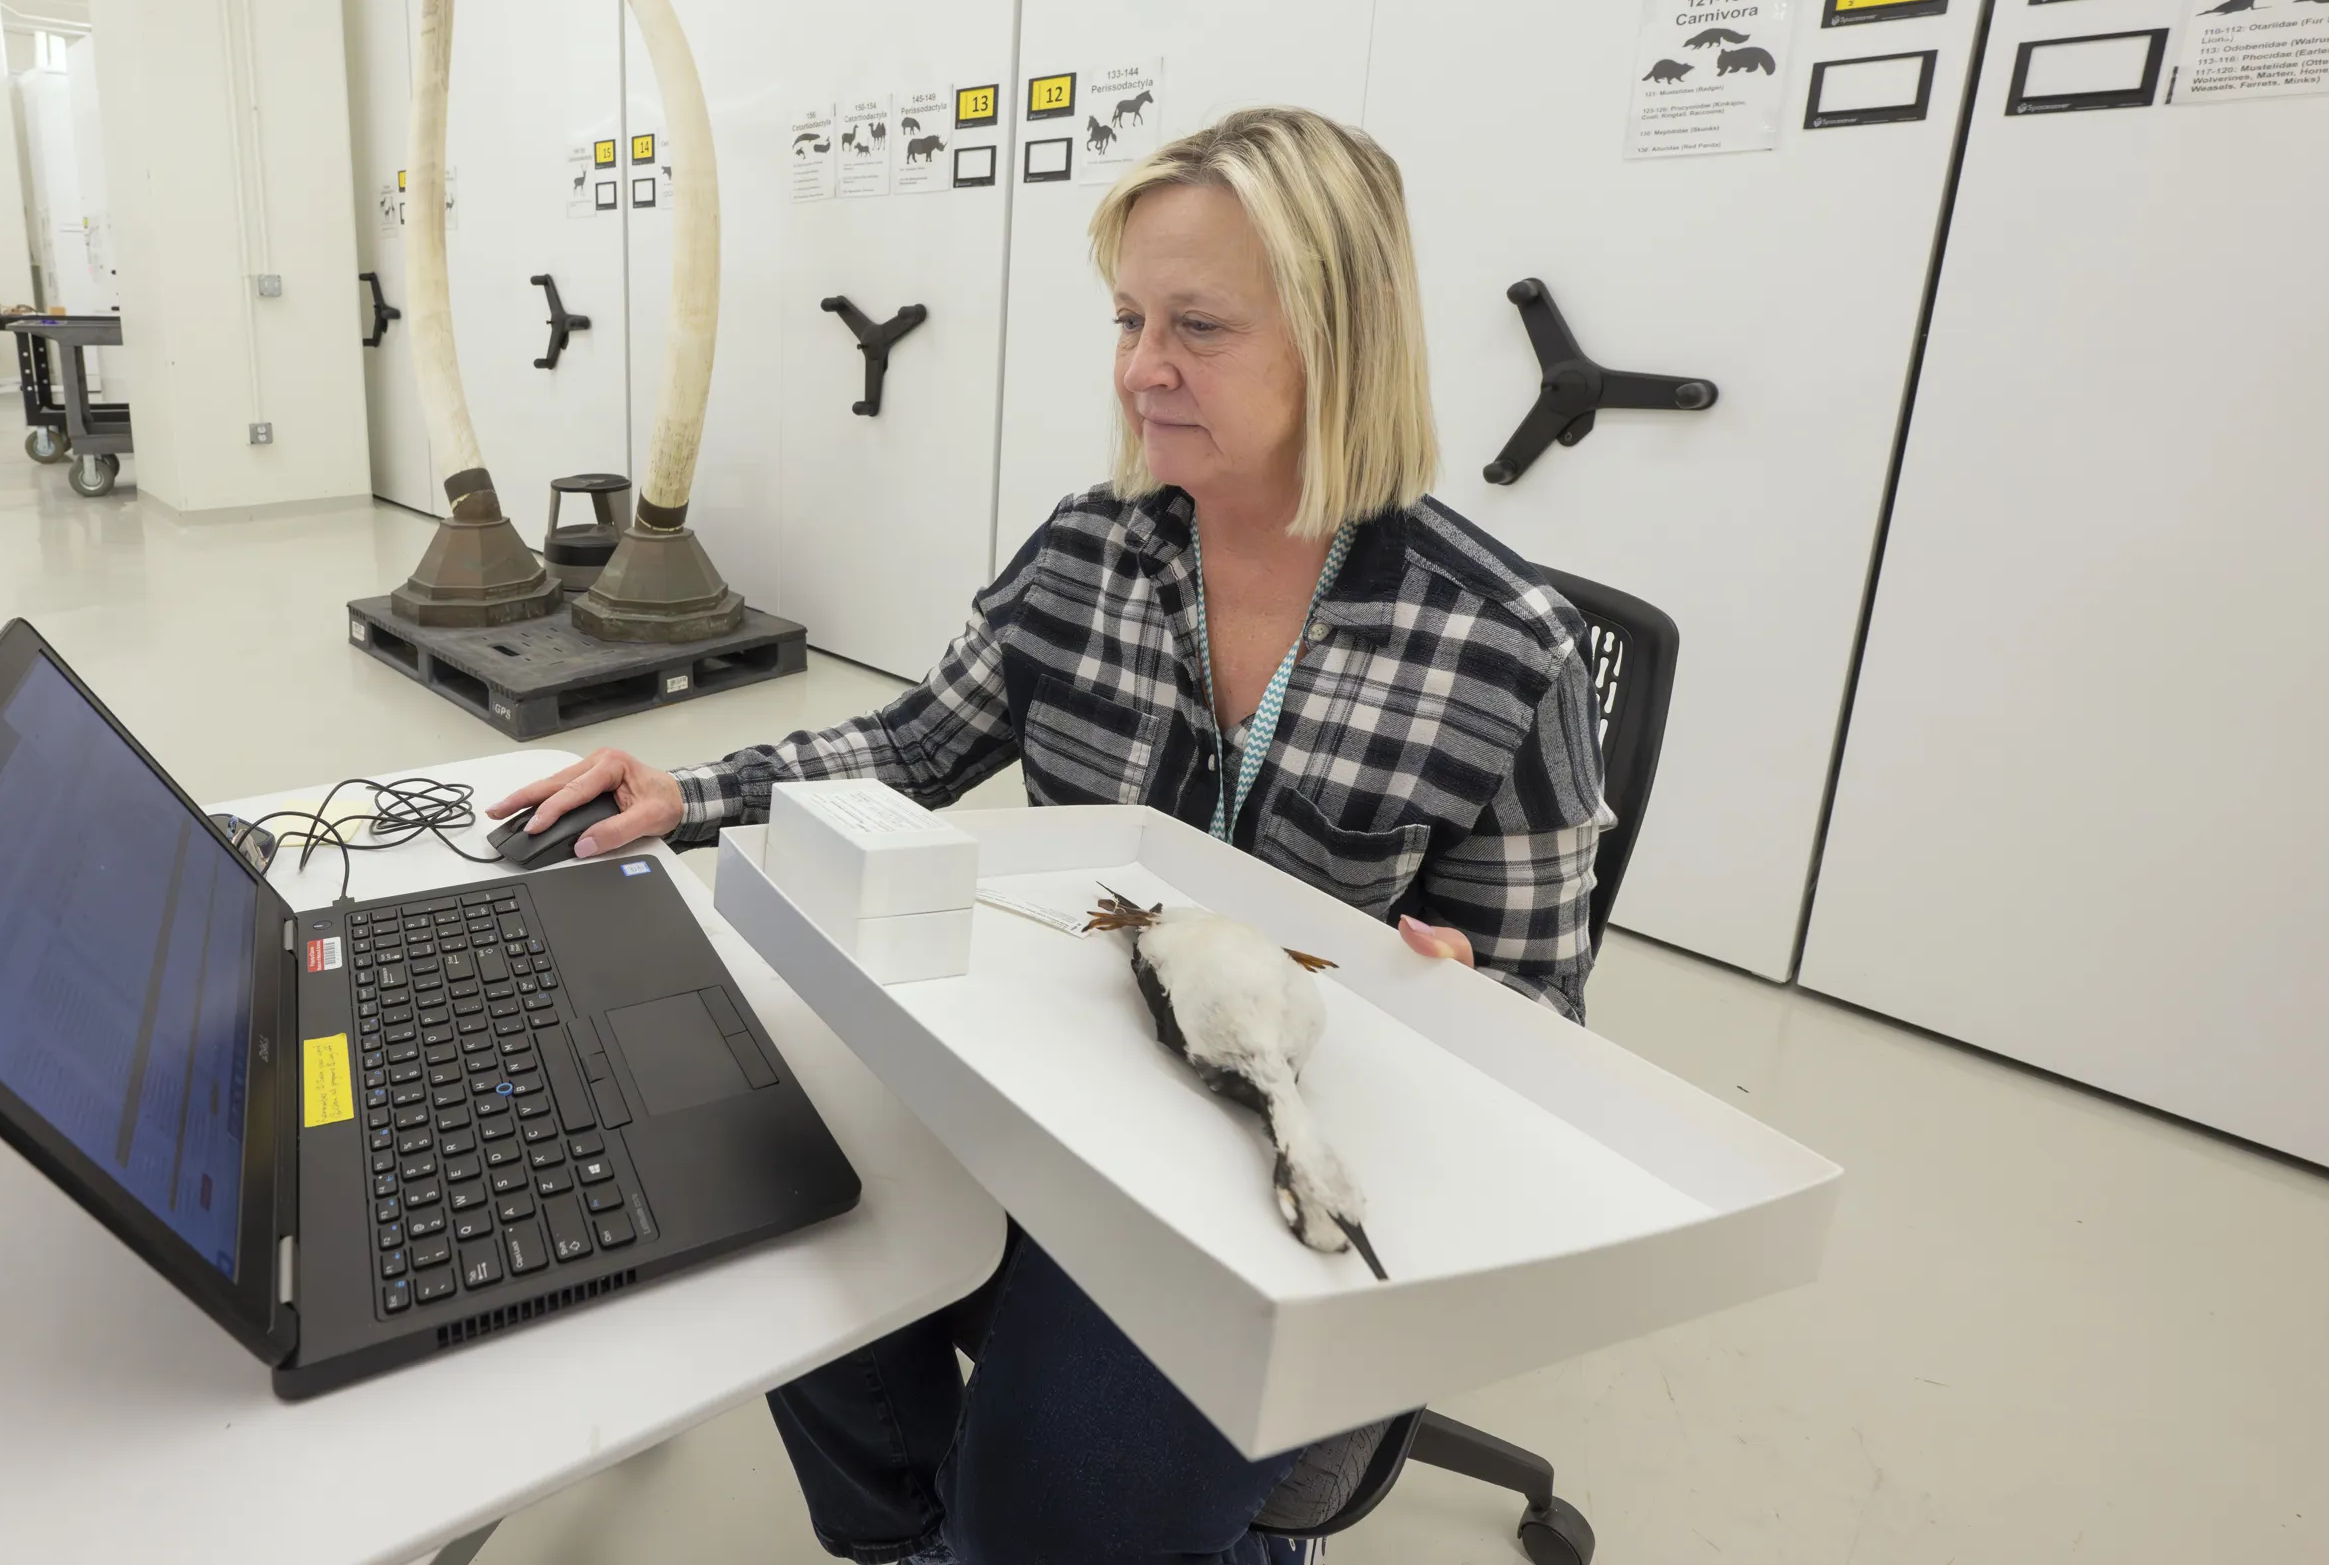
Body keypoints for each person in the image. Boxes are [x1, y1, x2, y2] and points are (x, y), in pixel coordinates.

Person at [489, 107, 1607, 1565]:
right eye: (1130, 317)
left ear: (1344, 336)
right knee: (746, 1178)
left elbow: (1551, 1019)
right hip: (1039, 1085)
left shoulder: (1500, 643)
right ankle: (905, 1533)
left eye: (1198, 325)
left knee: (1055, 1503)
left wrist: (1453, 1001)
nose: (1144, 368)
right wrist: (687, 795)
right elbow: (912, 746)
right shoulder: (1097, 549)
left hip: (1242, 1191)